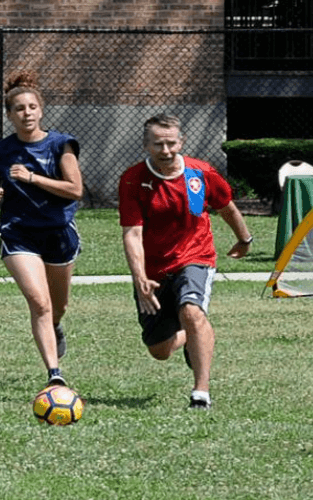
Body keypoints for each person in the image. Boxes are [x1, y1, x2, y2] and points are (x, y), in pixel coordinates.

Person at [118, 113, 253, 410]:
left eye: (170, 143)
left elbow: (226, 208)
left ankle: (200, 393)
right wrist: (139, 277)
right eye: (158, 144)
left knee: (192, 311)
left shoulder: (200, 173)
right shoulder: (133, 179)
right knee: (159, 350)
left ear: (182, 142)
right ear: (145, 145)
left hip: (196, 256)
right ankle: (191, 334)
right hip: (153, 270)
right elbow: (132, 232)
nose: (165, 150)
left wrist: (244, 240)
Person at [0, 71, 83, 388]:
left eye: (32, 107)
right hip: (18, 232)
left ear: (41, 110)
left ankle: (55, 325)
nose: (26, 113)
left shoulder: (60, 145)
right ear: (9, 115)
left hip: (58, 232)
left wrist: (32, 178)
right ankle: (55, 375)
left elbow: (75, 189)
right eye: (19, 109)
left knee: (58, 306)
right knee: (39, 302)